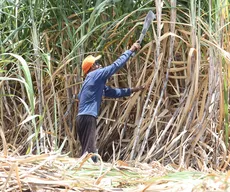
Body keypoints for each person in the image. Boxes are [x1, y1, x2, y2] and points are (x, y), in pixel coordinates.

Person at [76, 41, 144, 162]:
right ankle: (90, 175)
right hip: (88, 117)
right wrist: (131, 50)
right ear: (92, 68)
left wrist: (132, 90)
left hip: (81, 118)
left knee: (86, 150)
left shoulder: (90, 81)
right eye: (96, 63)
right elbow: (115, 66)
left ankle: (86, 172)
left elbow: (113, 93)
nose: (99, 65)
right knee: (90, 152)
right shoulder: (95, 75)